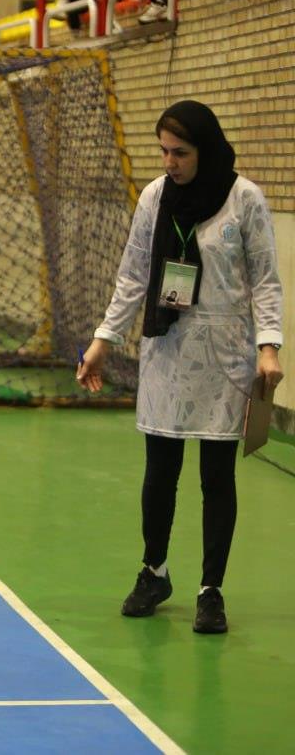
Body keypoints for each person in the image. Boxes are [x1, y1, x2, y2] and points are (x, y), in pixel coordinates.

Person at [77, 100, 282, 635]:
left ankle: (211, 590)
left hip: (225, 354)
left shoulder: (245, 199)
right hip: (167, 349)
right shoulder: (154, 197)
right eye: (164, 152)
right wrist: (103, 339)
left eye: (181, 153)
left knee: (217, 477)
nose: (170, 162)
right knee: (160, 472)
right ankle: (154, 571)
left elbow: (265, 280)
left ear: (205, 149)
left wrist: (269, 346)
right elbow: (132, 275)